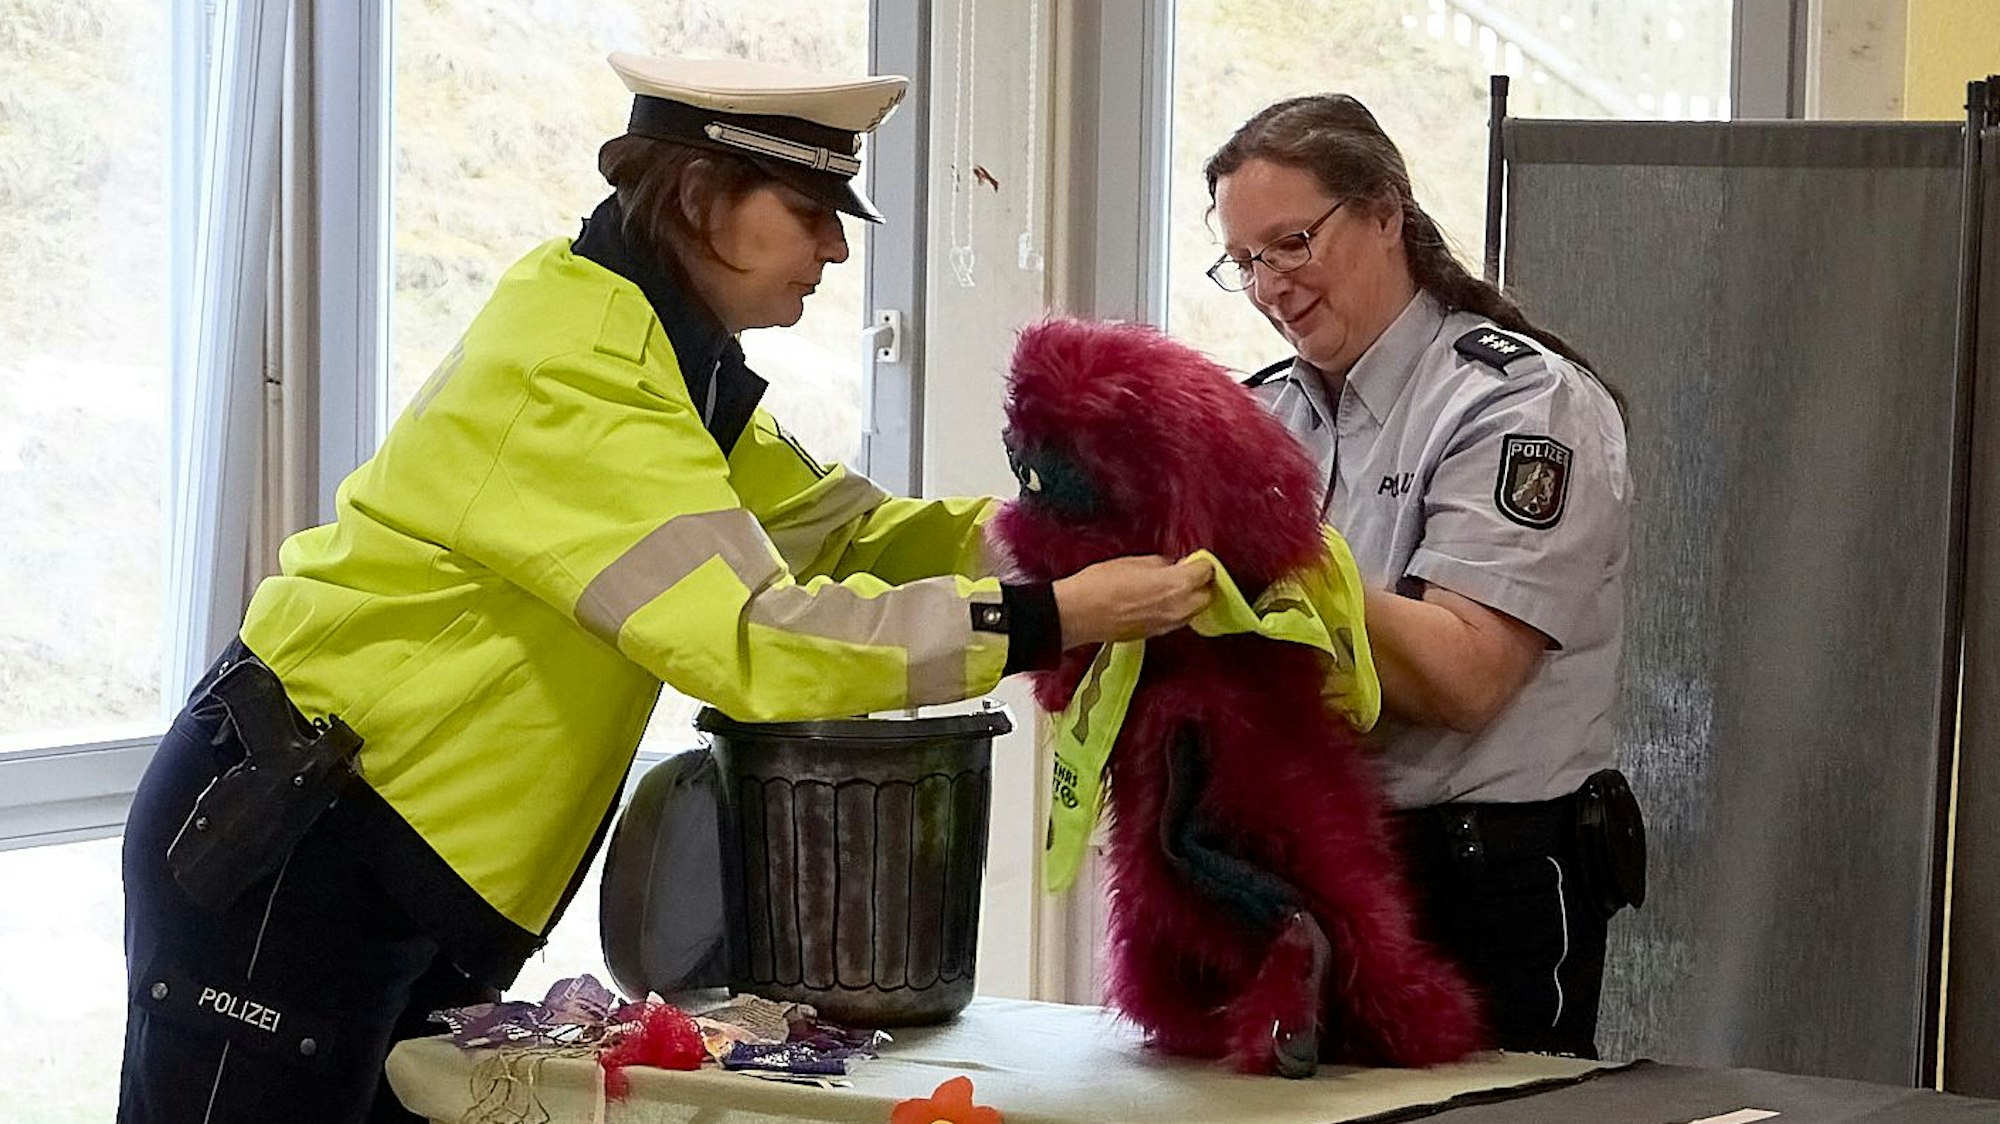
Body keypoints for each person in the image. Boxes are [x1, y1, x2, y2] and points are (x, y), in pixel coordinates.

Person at [119, 53, 1213, 1123]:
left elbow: (842, 536)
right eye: (811, 211)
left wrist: (1050, 538)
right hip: (298, 838)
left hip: (380, 853)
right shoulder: (579, 374)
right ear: (698, 198)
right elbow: (755, 638)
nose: (836, 247)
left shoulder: (664, 359)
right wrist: (1057, 616)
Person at [1203, 94, 1641, 1058]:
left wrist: (1262, 560)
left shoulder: (1520, 405)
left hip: (1476, 880)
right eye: (1245, 262)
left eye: (1292, 244)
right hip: (1298, 868)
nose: (1271, 286)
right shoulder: (1257, 417)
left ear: (1385, 211)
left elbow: (1463, 675)